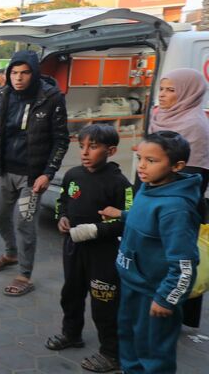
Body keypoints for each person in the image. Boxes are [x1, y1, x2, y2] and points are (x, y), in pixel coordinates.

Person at [99, 131, 200, 373]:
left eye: (151, 161)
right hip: (132, 285)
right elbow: (146, 221)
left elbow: (185, 264)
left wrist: (167, 297)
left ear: (177, 166)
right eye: (140, 158)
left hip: (153, 294)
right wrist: (122, 215)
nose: (141, 166)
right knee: (129, 344)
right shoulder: (148, 186)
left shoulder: (175, 209)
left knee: (153, 354)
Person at [44, 124, 132, 373]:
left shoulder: (121, 184)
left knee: (104, 302)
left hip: (103, 253)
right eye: (82, 146)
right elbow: (63, 200)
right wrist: (61, 217)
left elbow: (128, 219)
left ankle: (111, 353)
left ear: (111, 150)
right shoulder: (73, 175)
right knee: (70, 294)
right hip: (73, 248)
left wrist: (94, 230)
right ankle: (72, 334)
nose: (85, 152)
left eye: (93, 147)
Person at [0, 50, 69, 296]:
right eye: (14, 72)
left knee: (24, 222)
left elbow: (61, 140)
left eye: (24, 73)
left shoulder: (51, 97)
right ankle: (11, 253)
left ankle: (25, 274)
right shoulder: (6, 95)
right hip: (6, 170)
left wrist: (48, 173)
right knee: (1, 217)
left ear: (34, 73)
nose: (18, 78)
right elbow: (1, 132)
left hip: (32, 176)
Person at [149, 68, 209, 329]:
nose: (162, 95)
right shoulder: (160, 116)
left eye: (171, 90)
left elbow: (193, 179)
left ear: (188, 92)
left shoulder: (195, 126)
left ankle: (173, 313)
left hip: (178, 208)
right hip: (154, 198)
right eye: (161, 88)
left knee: (176, 261)